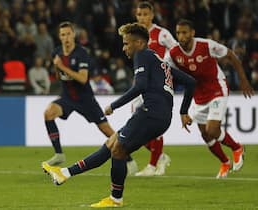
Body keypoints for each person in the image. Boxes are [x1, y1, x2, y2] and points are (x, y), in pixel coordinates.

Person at [42, 23, 196, 207]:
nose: (124, 48)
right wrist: (183, 111)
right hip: (158, 116)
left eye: (126, 43)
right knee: (112, 144)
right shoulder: (157, 60)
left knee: (118, 150)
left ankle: (115, 199)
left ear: (138, 43)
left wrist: (114, 106)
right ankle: (65, 173)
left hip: (151, 114)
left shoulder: (142, 55)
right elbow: (190, 82)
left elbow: (140, 86)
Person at [166, 19, 254, 178]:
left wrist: (243, 79)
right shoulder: (173, 53)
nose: (181, 36)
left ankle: (237, 147)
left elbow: (231, 55)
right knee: (205, 135)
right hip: (198, 95)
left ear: (192, 33)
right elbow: (163, 70)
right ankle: (225, 162)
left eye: (184, 32)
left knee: (212, 130)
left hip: (216, 88)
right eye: (178, 33)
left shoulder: (206, 45)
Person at [42, 22, 115, 165]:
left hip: (85, 99)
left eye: (69, 34)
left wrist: (62, 66)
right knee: (48, 113)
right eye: (63, 35)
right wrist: (57, 68)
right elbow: (58, 77)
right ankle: (59, 154)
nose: (66, 37)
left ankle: (129, 159)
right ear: (59, 37)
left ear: (73, 34)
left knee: (106, 130)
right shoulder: (56, 53)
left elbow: (83, 78)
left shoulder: (81, 53)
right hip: (67, 97)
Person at [129, 1, 178, 176]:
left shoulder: (162, 34)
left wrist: (165, 65)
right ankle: (160, 156)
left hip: (156, 85)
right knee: (136, 123)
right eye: (139, 15)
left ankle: (151, 165)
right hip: (140, 83)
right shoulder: (135, 35)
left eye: (145, 14)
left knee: (152, 121)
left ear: (152, 15)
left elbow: (176, 51)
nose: (142, 18)